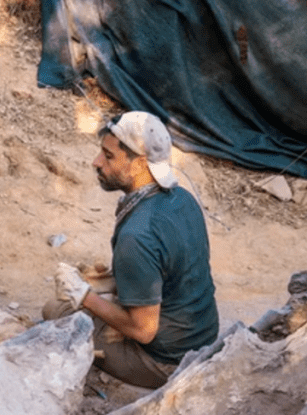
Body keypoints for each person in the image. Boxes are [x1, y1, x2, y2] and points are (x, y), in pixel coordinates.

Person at [44, 111, 219, 389]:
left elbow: (144, 331)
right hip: (203, 337)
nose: (96, 162)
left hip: (166, 362)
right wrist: (99, 283)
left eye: (109, 156)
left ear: (139, 164)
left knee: (57, 310)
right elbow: (167, 269)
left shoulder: (137, 235)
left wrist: (85, 296)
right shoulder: (182, 199)